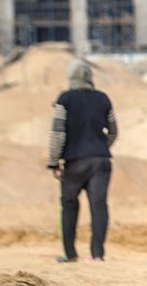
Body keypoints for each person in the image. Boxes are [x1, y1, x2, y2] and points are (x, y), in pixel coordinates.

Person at [47, 58, 117, 263]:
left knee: (69, 205)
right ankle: (97, 254)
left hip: (74, 162)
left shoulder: (65, 99)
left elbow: (57, 133)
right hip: (101, 162)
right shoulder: (103, 98)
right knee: (99, 205)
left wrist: (54, 161)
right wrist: (101, 146)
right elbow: (114, 131)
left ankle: (70, 255)